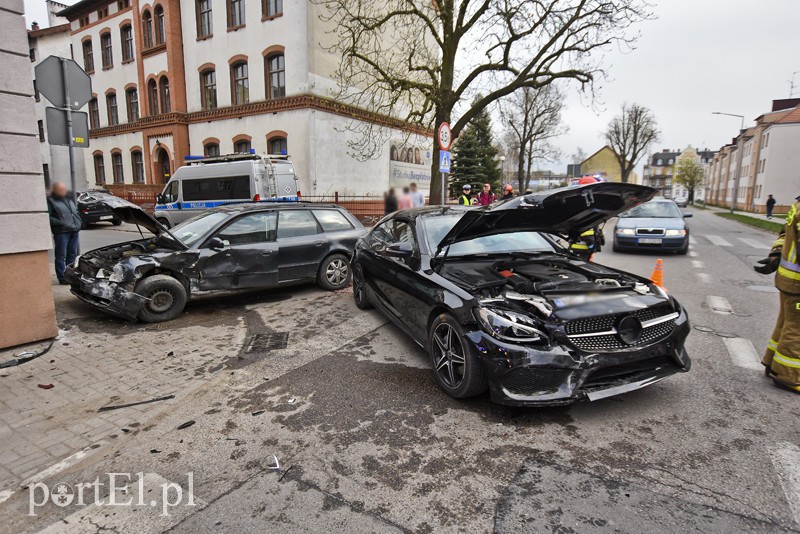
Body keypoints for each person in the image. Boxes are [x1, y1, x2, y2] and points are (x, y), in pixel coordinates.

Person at [755, 193, 800, 393]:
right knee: (796, 329)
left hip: (789, 278)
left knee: (786, 322)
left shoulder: (797, 204)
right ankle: (789, 376)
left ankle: (772, 362)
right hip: (797, 282)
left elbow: (785, 233)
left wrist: (775, 255)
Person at [47, 182, 82, 285]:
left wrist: (79, 220)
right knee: (61, 255)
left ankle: (70, 275)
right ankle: (62, 277)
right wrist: (60, 222)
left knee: (72, 254)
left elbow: (75, 211)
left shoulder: (68, 199)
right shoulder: (51, 201)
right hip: (61, 231)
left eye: (64, 189)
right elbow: (47, 216)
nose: (63, 191)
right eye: (61, 189)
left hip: (74, 230)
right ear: (55, 190)